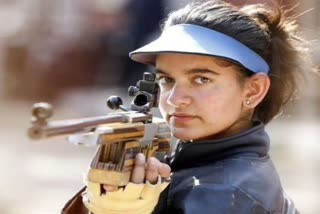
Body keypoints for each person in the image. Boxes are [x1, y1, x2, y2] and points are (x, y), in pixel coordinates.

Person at [62, 0, 310, 213]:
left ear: (253, 90)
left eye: (202, 79)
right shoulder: (207, 162)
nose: (174, 99)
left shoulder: (221, 194)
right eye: (167, 80)